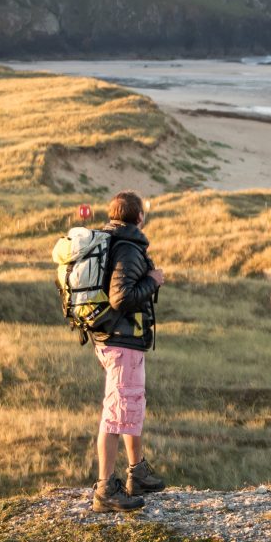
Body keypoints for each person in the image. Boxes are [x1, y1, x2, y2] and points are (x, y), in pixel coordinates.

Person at [90, 190, 167, 513]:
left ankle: (137, 472)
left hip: (114, 338)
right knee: (115, 411)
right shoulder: (129, 248)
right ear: (139, 217)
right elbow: (121, 297)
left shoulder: (112, 242)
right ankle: (106, 488)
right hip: (123, 340)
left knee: (129, 403)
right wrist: (153, 280)